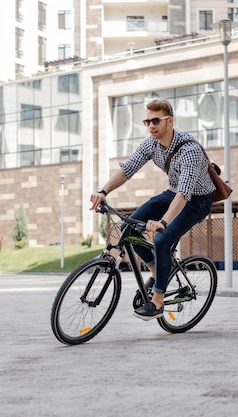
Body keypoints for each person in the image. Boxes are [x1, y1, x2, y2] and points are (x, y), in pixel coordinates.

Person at [90, 99, 215, 320]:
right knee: (128, 228)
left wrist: (163, 222)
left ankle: (157, 301)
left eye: (155, 121)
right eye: (146, 121)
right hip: (173, 193)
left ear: (170, 121)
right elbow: (128, 169)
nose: (150, 126)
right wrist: (103, 191)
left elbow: (184, 193)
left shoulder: (190, 149)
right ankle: (157, 271)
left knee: (161, 240)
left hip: (198, 200)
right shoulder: (151, 144)